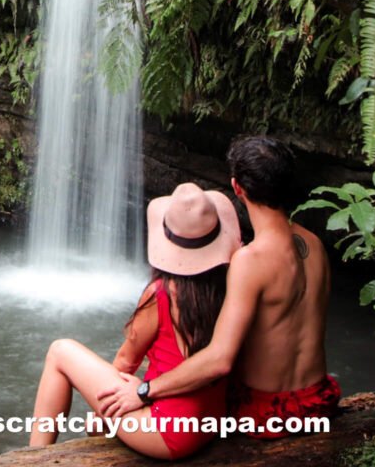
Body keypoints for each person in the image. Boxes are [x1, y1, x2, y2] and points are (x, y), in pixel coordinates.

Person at [98, 136, 341, 438]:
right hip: (319, 400)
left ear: (237, 188)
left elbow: (220, 359)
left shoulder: (249, 260)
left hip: (266, 414)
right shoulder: (315, 245)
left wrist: (145, 390)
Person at [29, 182, 241, 458]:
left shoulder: (162, 294)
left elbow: (127, 360)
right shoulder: (234, 285)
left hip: (169, 433)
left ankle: (31, 457)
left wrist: (101, 415)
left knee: (60, 352)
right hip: (212, 420)